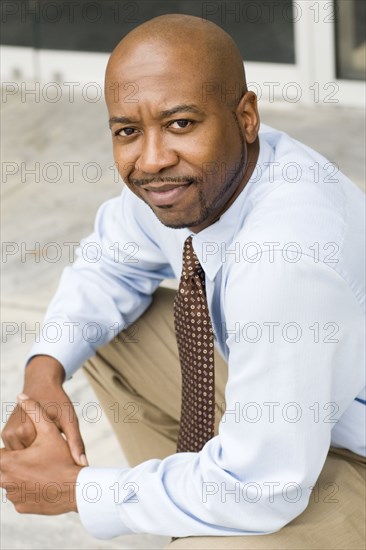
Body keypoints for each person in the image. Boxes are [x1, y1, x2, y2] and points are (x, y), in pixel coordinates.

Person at [1, 13, 365, 550]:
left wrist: (79, 491)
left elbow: (260, 488)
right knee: (103, 333)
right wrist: (43, 373)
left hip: (349, 456)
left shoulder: (285, 258)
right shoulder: (193, 178)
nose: (151, 160)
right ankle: (186, 510)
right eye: (128, 131)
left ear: (245, 117)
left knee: (221, 533)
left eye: (180, 124)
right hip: (301, 409)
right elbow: (110, 262)